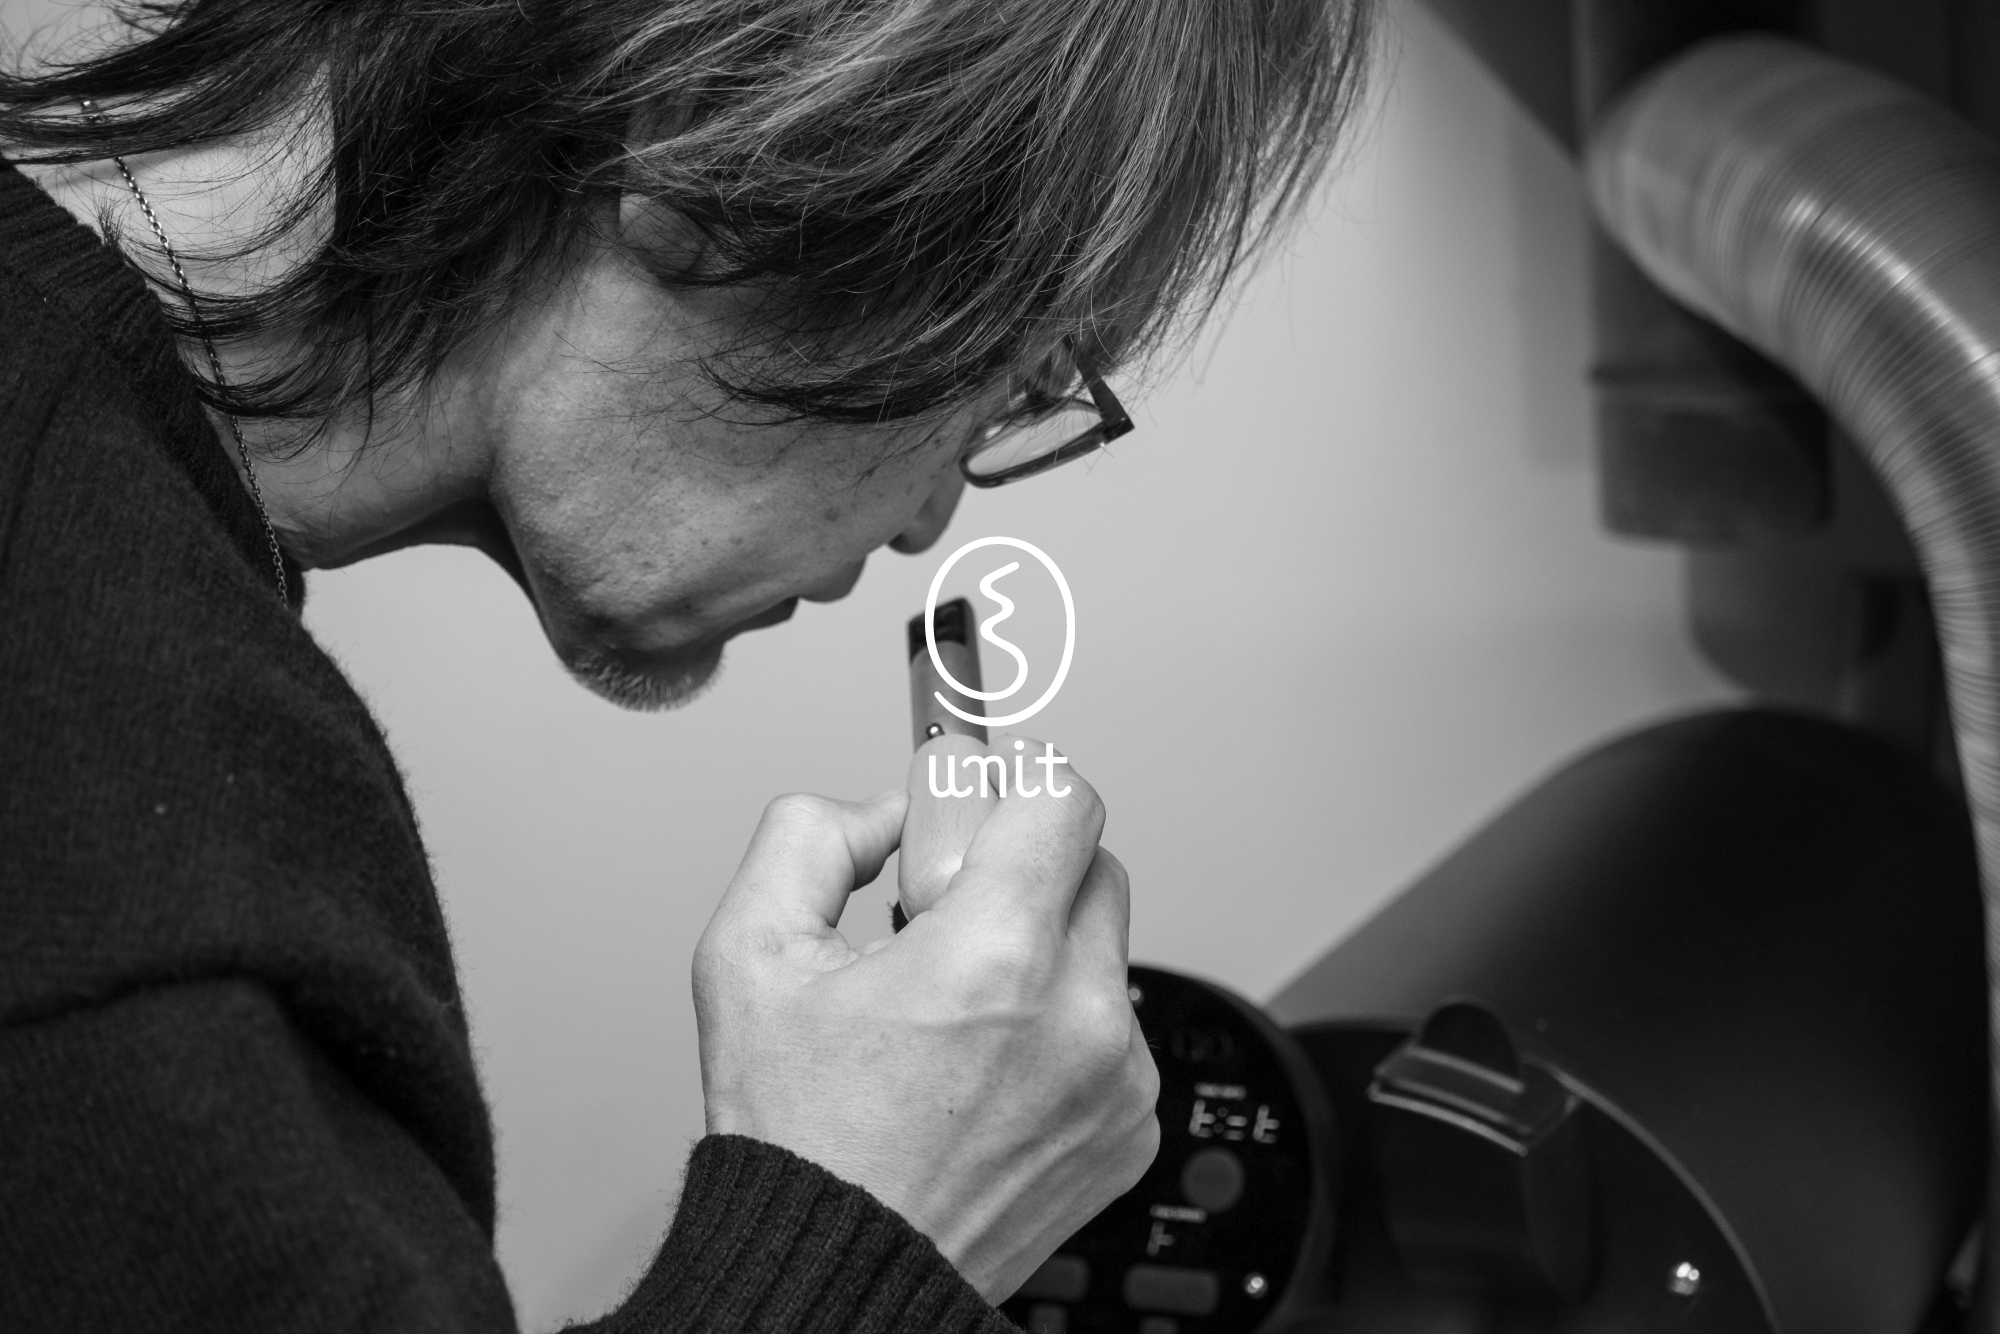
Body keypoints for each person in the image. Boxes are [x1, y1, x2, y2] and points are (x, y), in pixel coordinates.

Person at [0, 1, 1373, 1329]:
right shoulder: (148, 869)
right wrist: (869, 1230)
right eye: (1012, 381)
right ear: (727, 156)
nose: (928, 519)